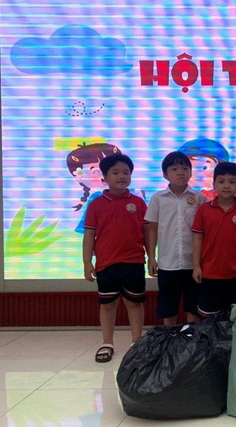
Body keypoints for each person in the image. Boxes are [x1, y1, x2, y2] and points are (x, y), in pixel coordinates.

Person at [82, 154, 150, 363]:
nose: (122, 176)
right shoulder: (96, 204)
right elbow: (89, 235)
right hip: (106, 263)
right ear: (104, 177)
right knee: (108, 305)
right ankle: (107, 343)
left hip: (134, 262)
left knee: (134, 304)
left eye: (126, 172)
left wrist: (152, 257)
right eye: (116, 172)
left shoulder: (138, 203)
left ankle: (136, 342)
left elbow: (147, 233)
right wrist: (87, 263)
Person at [145, 151, 207, 326]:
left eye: (185, 168)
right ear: (165, 174)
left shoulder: (200, 198)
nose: (180, 172)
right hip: (167, 263)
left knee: (193, 307)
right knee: (168, 307)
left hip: (193, 263)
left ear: (190, 172)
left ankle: (191, 338)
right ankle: (169, 338)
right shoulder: (158, 198)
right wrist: (151, 257)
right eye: (174, 169)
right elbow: (152, 229)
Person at [191, 162, 236, 316]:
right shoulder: (204, 209)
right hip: (209, 273)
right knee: (208, 320)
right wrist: (196, 266)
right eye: (221, 181)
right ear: (214, 184)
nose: (226, 186)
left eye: (232, 182)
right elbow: (198, 239)